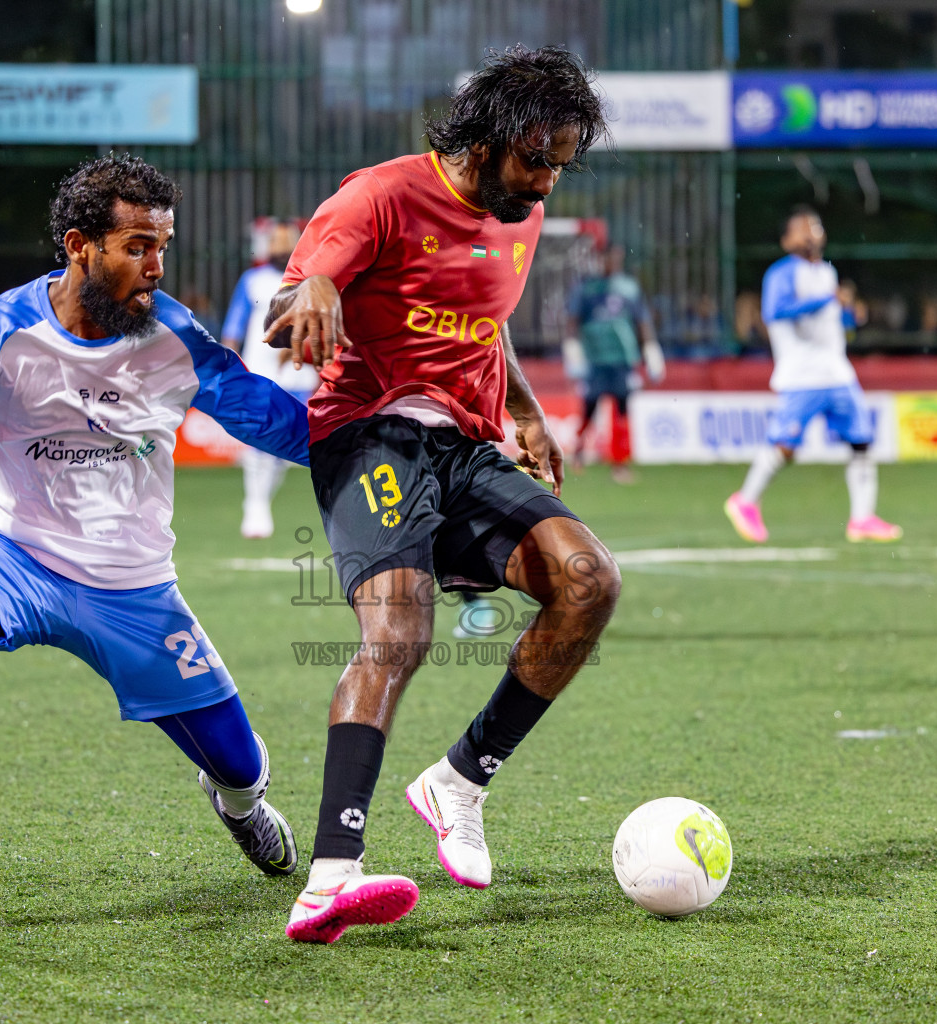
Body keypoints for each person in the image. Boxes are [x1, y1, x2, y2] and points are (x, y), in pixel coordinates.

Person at [0, 155, 311, 924]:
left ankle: (241, 808)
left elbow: (270, 418)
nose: (155, 267)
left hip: (133, 584)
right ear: (80, 245)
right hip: (9, 553)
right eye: (137, 246)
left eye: (162, 247)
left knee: (240, 765)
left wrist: (387, 444)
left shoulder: (174, 336)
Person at [262, 44, 621, 943]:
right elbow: (296, 292)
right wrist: (312, 293)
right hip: (368, 431)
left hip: (467, 445)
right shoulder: (380, 194)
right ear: (490, 135)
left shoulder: (522, 217)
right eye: (536, 160)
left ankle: (459, 780)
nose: (544, 187)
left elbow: (482, 327)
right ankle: (330, 879)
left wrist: (530, 411)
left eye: (559, 168)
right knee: (400, 633)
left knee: (589, 580)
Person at [724, 206, 901, 544]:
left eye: (816, 226)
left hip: (836, 372)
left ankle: (862, 519)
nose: (811, 233)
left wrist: (849, 314)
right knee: (785, 446)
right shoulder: (782, 273)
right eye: (802, 228)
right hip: (802, 374)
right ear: (786, 240)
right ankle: (745, 500)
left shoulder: (827, 273)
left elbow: (830, 321)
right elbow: (775, 311)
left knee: (862, 441)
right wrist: (825, 300)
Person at [221, 223, 319, 538]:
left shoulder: (310, 279)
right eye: (276, 242)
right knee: (261, 439)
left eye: (287, 242)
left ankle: (261, 500)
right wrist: (228, 360)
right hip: (259, 370)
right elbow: (235, 322)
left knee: (287, 445)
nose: (281, 248)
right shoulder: (252, 280)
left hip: (298, 372)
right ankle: (256, 504)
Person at [565, 245, 663, 484]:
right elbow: (573, 321)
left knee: (622, 410)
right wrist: (572, 348)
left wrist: (651, 349)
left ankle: (620, 463)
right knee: (589, 408)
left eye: (616, 259)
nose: (612, 263)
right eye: (608, 258)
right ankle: (577, 454)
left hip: (622, 359)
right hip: (596, 358)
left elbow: (642, 322)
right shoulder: (586, 289)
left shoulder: (629, 288)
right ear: (601, 260)